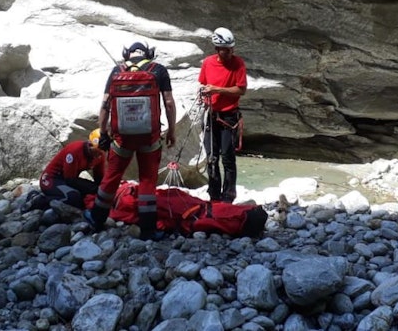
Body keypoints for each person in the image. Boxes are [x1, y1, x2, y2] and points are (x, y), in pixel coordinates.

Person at [87, 41, 177, 240]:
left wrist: (103, 133)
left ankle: (96, 219)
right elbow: (168, 103)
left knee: (112, 177)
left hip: (122, 138)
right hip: (150, 137)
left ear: (127, 54)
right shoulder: (158, 70)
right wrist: (172, 130)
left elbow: (104, 106)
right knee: (147, 181)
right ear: (149, 54)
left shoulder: (116, 71)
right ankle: (148, 230)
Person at [199, 27, 248, 203]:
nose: (229, 52)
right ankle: (214, 195)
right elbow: (203, 84)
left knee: (227, 156)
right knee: (212, 156)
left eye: (230, 49)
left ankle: (228, 195)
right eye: (225, 50)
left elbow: (241, 90)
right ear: (217, 49)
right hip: (211, 114)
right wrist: (204, 93)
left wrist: (217, 89)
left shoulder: (238, 64)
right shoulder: (208, 63)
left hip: (228, 117)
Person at [35, 129, 106, 209]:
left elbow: (99, 178)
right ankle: (38, 201)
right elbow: (69, 179)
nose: (99, 154)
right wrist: (92, 188)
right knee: (73, 198)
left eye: (102, 151)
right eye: (97, 151)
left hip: (67, 179)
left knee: (91, 196)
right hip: (51, 179)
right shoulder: (74, 151)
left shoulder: (100, 156)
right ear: (90, 145)